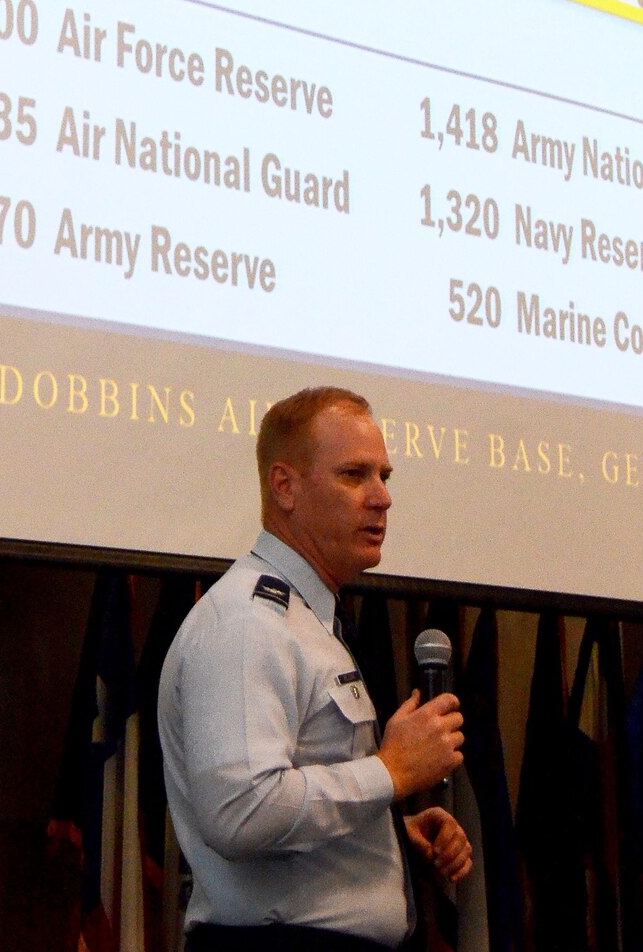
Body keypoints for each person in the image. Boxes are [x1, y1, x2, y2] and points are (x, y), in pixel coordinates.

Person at [158, 386, 472, 952]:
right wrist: (391, 773)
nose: (382, 499)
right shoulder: (248, 624)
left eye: (385, 476)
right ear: (285, 488)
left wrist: (390, 835)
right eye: (355, 475)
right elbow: (240, 813)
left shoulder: (310, 620)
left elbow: (292, 802)